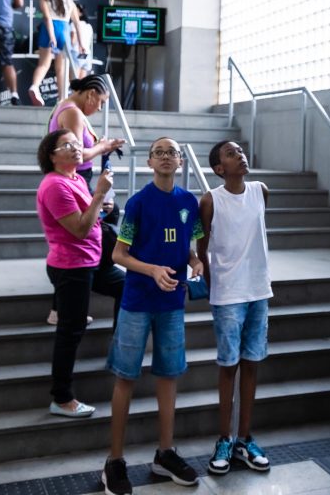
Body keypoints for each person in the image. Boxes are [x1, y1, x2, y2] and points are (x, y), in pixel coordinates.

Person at [102, 137, 205, 495]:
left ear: (180, 162)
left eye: (171, 152)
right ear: (149, 162)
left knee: (168, 376)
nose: (165, 157)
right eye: (158, 152)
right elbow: (118, 254)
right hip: (137, 302)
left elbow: (189, 247)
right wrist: (152, 270)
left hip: (172, 303)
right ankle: (115, 461)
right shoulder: (138, 203)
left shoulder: (189, 202)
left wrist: (196, 262)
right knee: (125, 377)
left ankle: (165, 453)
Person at [36, 128, 125, 418]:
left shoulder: (74, 179)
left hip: (92, 261)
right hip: (71, 266)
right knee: (70, 331)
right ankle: (62, 398)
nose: (76, 147)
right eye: (66, 145)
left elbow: (89, 217)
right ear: (52, 156)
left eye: (76, 143)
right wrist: (98, 194)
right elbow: (79, 229)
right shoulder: (54, 186)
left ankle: (120, 348)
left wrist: (102, 205)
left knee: (126, 286)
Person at [197, 140, 272, 476]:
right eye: (231, 154)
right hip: (227, 293)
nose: (240, 155)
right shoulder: (210, 200)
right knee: (229, 366)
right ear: (219, 168)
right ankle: (224, 439)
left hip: (258, 290)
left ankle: (244, 439)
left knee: (252, 363)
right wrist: (212, 287)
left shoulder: (260, 191)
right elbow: (202, 248)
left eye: (240, 151)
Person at [48, 75, 125, 188]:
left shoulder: (67, 107)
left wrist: (101, 145)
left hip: (73, 175)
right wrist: (102, 147)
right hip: (74, 176)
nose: (100, 108)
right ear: (91, 94)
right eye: (101, 102)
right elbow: (77, 154)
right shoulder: (72, 113)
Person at [28, 0, 86, 106]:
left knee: (43, 64)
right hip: (64, 31)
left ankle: (35, 86)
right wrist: (81, 44)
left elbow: (47, 19)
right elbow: (77, 24)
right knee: (61, 69)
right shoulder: (70, 2)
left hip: (48, 31)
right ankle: (61, 98)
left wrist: (52, 36)